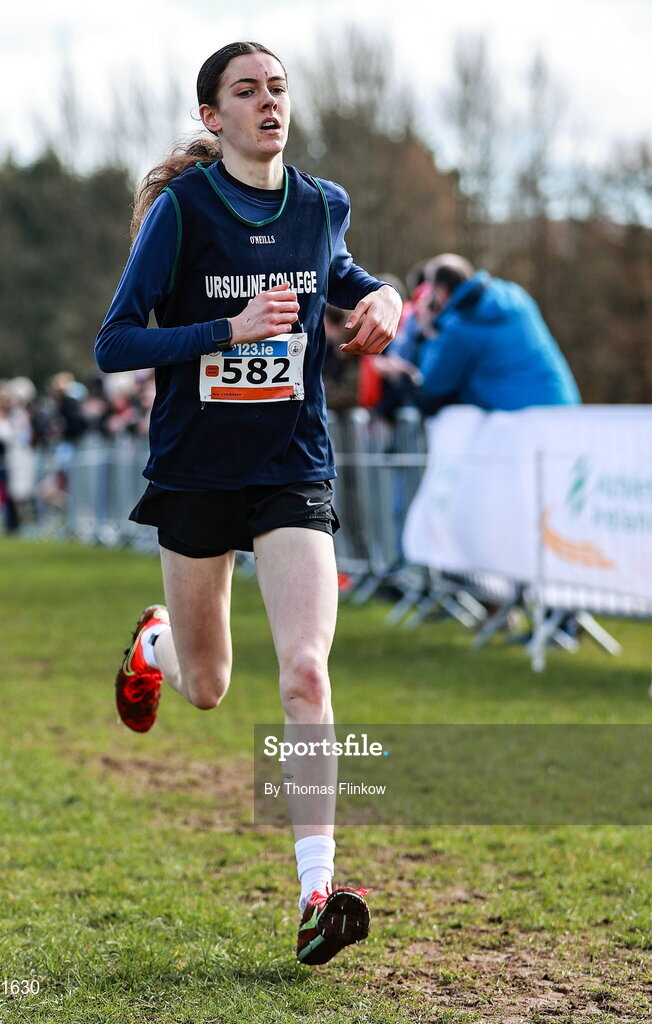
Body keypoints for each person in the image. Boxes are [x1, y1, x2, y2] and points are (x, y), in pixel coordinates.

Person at [94, 41, 401, 966]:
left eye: (277, 88)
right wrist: (226, 329)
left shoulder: (320, 204)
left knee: (306, 674)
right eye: (246, 91)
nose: (269, 103)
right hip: (194, 473)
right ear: (211, 117)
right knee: (211, 685)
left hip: (290, 468)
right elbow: (115, 343)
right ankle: (155, 644)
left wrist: (382, 295)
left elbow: (335, 274)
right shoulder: (184, 212)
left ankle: (316, 893)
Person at [414, 254, 580, 414]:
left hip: (517, 421)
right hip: (563, 407)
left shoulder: (458, 328)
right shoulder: (516, 294)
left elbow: (431, 384)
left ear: (441, 292)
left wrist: (427, 332)